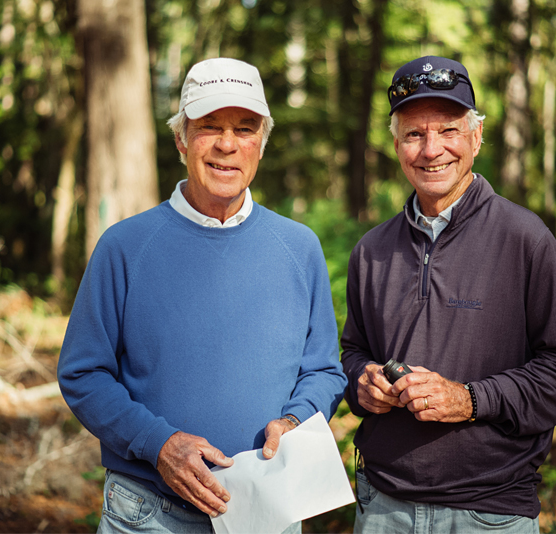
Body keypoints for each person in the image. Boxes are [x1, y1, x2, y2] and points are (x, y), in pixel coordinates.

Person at [57, 57, 347, 534]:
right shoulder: (125, 246)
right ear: (181, 139)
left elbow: (323, 370)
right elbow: (83, 372)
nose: (227, 145)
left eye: (245, 129)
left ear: (261, 145)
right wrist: (159, 443)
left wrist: (295, 420)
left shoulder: (298, 247)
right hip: (149, 513)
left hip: (267, 512)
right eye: (209, 127)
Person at [341, 56, 556, 533]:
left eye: (449, 131)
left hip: (489, 512)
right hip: (382, 509)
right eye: (415, 134)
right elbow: (354, 351)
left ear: (476, 138)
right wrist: (363, 383)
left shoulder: (525, 237)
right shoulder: (371, 249)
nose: (431, 149)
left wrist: (471, 399)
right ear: (396, 145)